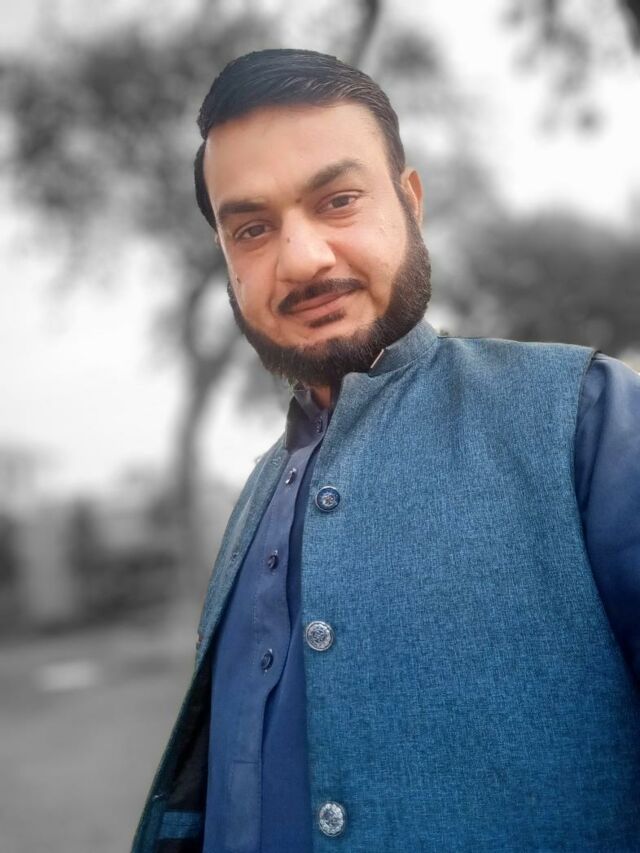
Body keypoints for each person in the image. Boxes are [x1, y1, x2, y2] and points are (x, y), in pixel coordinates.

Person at [132, 49, 640, 853]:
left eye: (337, 200)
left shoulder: (586, 419)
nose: (302, 259)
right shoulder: (256, 495)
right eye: (252, 228)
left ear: (410, 201)